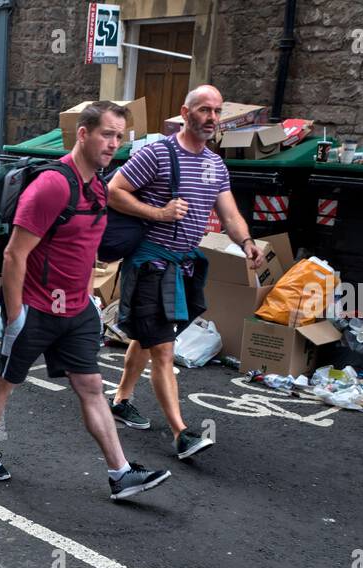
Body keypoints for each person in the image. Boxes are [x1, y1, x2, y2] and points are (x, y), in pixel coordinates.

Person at [0, 101, 172, 501]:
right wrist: (15, 315)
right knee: (8, 379)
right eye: (106, 134)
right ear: (83, 134)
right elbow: (15, 254)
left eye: (119, 136)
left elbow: (83, 249)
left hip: (77, 311)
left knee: (92, 387)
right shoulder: (51, 186)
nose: (113, 143)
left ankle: (121, 473)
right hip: (36, 309)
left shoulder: (98, 186)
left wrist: (90, 298)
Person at [107, 84, 266, 460]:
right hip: (150, 263)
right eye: (204, 110)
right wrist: (158, 213)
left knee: (149, 337)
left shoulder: (215, 164)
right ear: (185, 111)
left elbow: (229, 214)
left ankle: (120, 399)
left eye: (217, 111)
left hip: (181, 265)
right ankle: (181, 433)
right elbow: (114, 191)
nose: (211, 118)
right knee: (163, 348)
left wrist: (246, 242)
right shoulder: (158, 153)